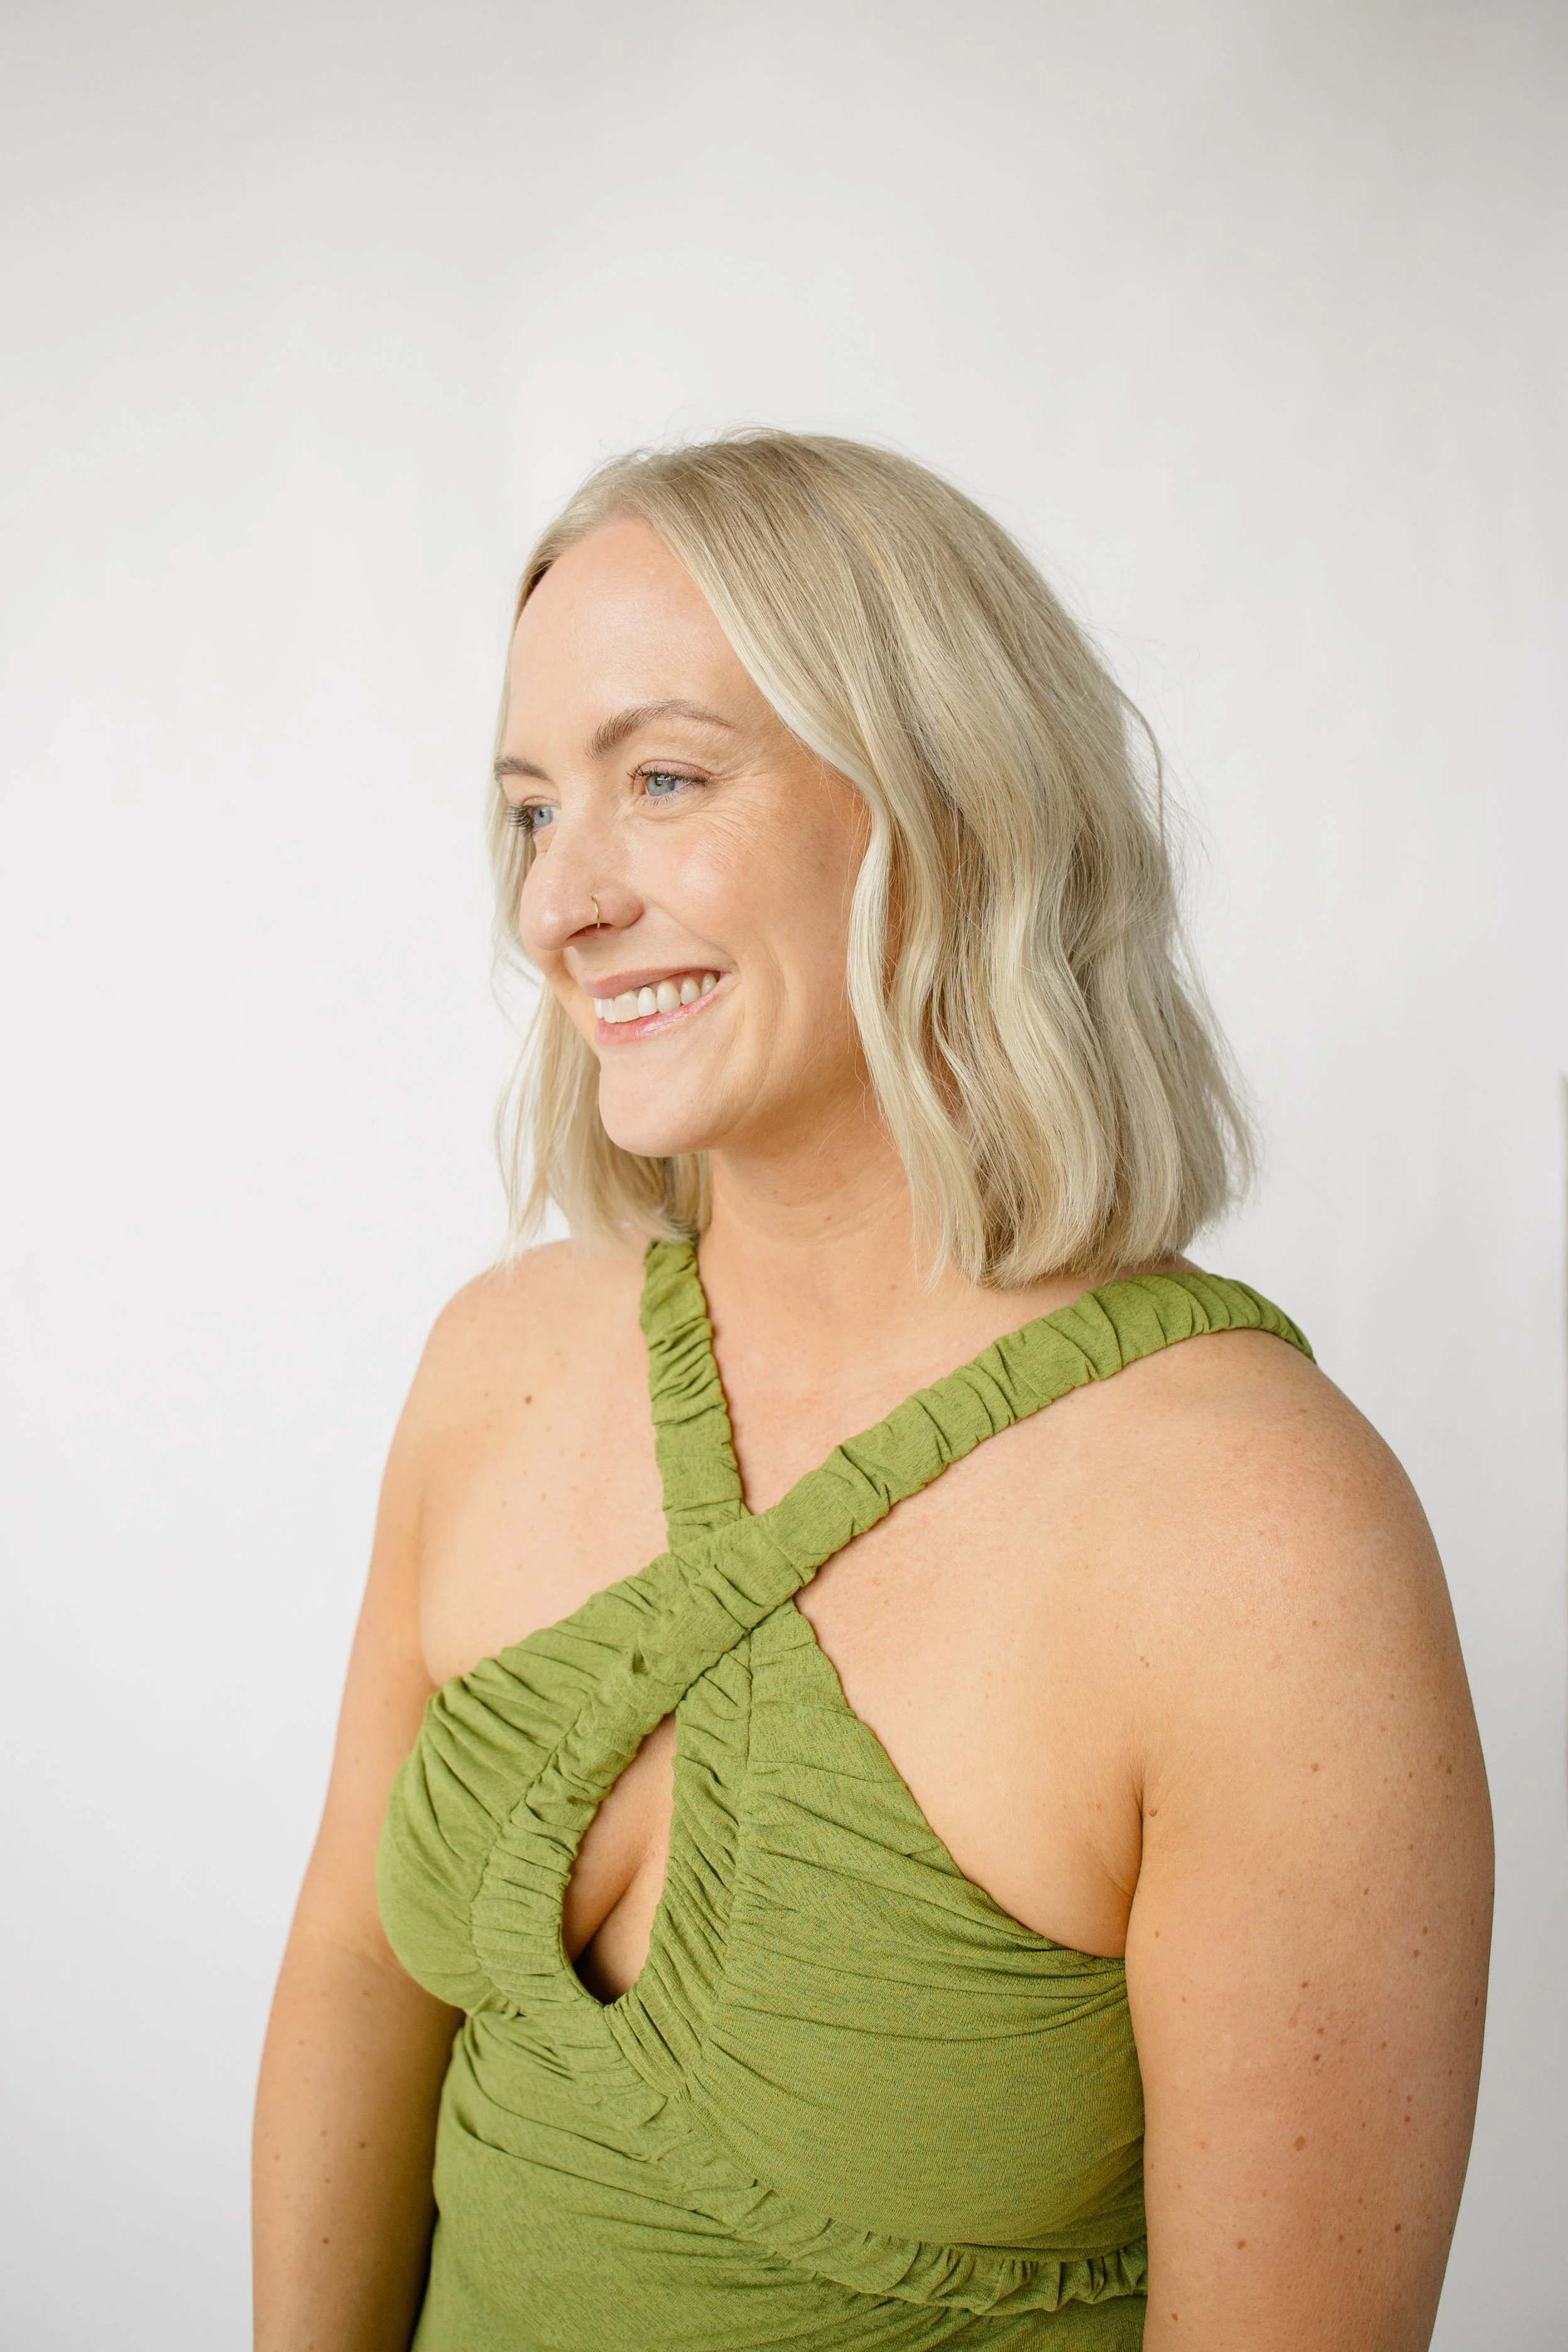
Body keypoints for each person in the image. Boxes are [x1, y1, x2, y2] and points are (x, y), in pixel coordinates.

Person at [253, 432, 1492, 2352]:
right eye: (528, 812)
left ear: (949, 806)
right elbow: (354, 1958)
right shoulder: (496, 1365)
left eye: (660, 779)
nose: (558, 905)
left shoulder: (1257, 1534)